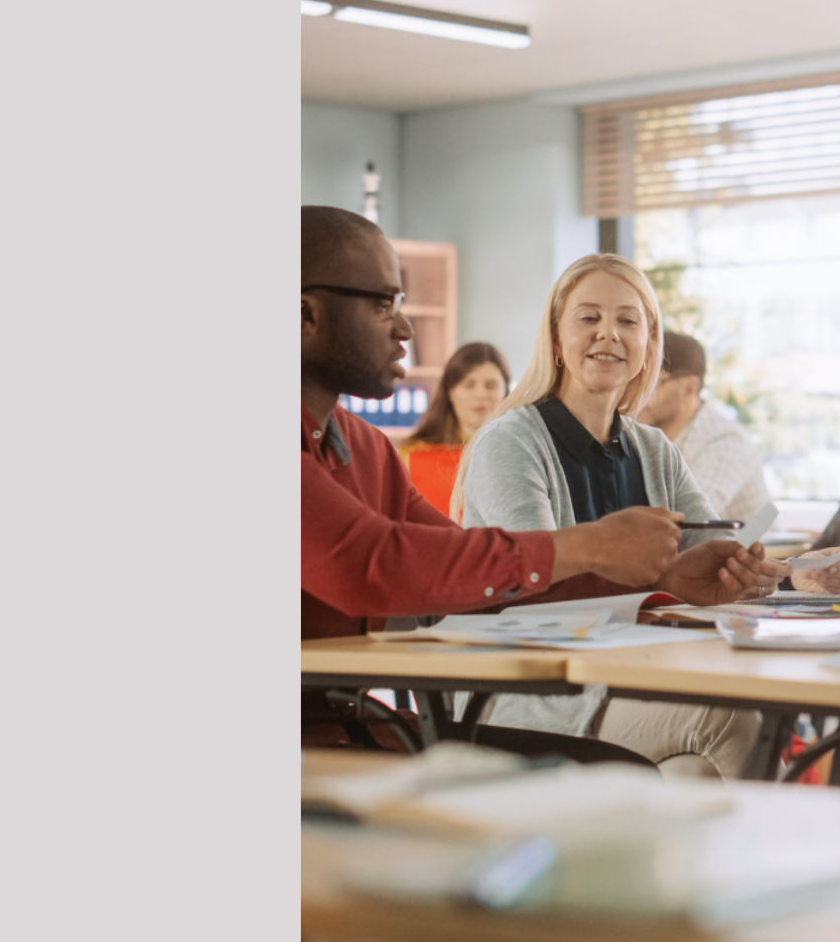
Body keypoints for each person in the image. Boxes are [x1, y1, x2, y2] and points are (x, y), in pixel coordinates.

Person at [454, 253, 840, 779]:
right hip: (533, 693)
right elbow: (537, 592)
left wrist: (793, 576)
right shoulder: (510, 442)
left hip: (633, 678)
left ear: (648, 346)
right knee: (732, 720)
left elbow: (714, 570)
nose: (609, 335)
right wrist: (666, 585)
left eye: (627, 321)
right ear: (556, 339)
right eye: (589, 318)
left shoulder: (654, 450)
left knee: (697, 773)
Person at [301, 207, 773, 647]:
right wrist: (594, 546)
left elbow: (462, 564)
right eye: (383, 304)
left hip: (365, 725)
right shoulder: (511, 440)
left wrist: (671, 581)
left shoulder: (368, 449)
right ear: (305, 315)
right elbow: (371, 564)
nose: (405, 327)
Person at [636, 331, 773, 524]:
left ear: (690, 388)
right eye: (637, 380)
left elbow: (685, 520)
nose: (639, 394)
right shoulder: (647, 437)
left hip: (760, 551)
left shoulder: (726, 442)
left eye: (654, 383)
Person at [397, 342, 511, 519]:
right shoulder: (412, 454)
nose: (481, 394)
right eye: (469, 384)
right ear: (451, 392)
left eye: (490, 386)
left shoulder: (519, 452)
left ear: (505, 392)